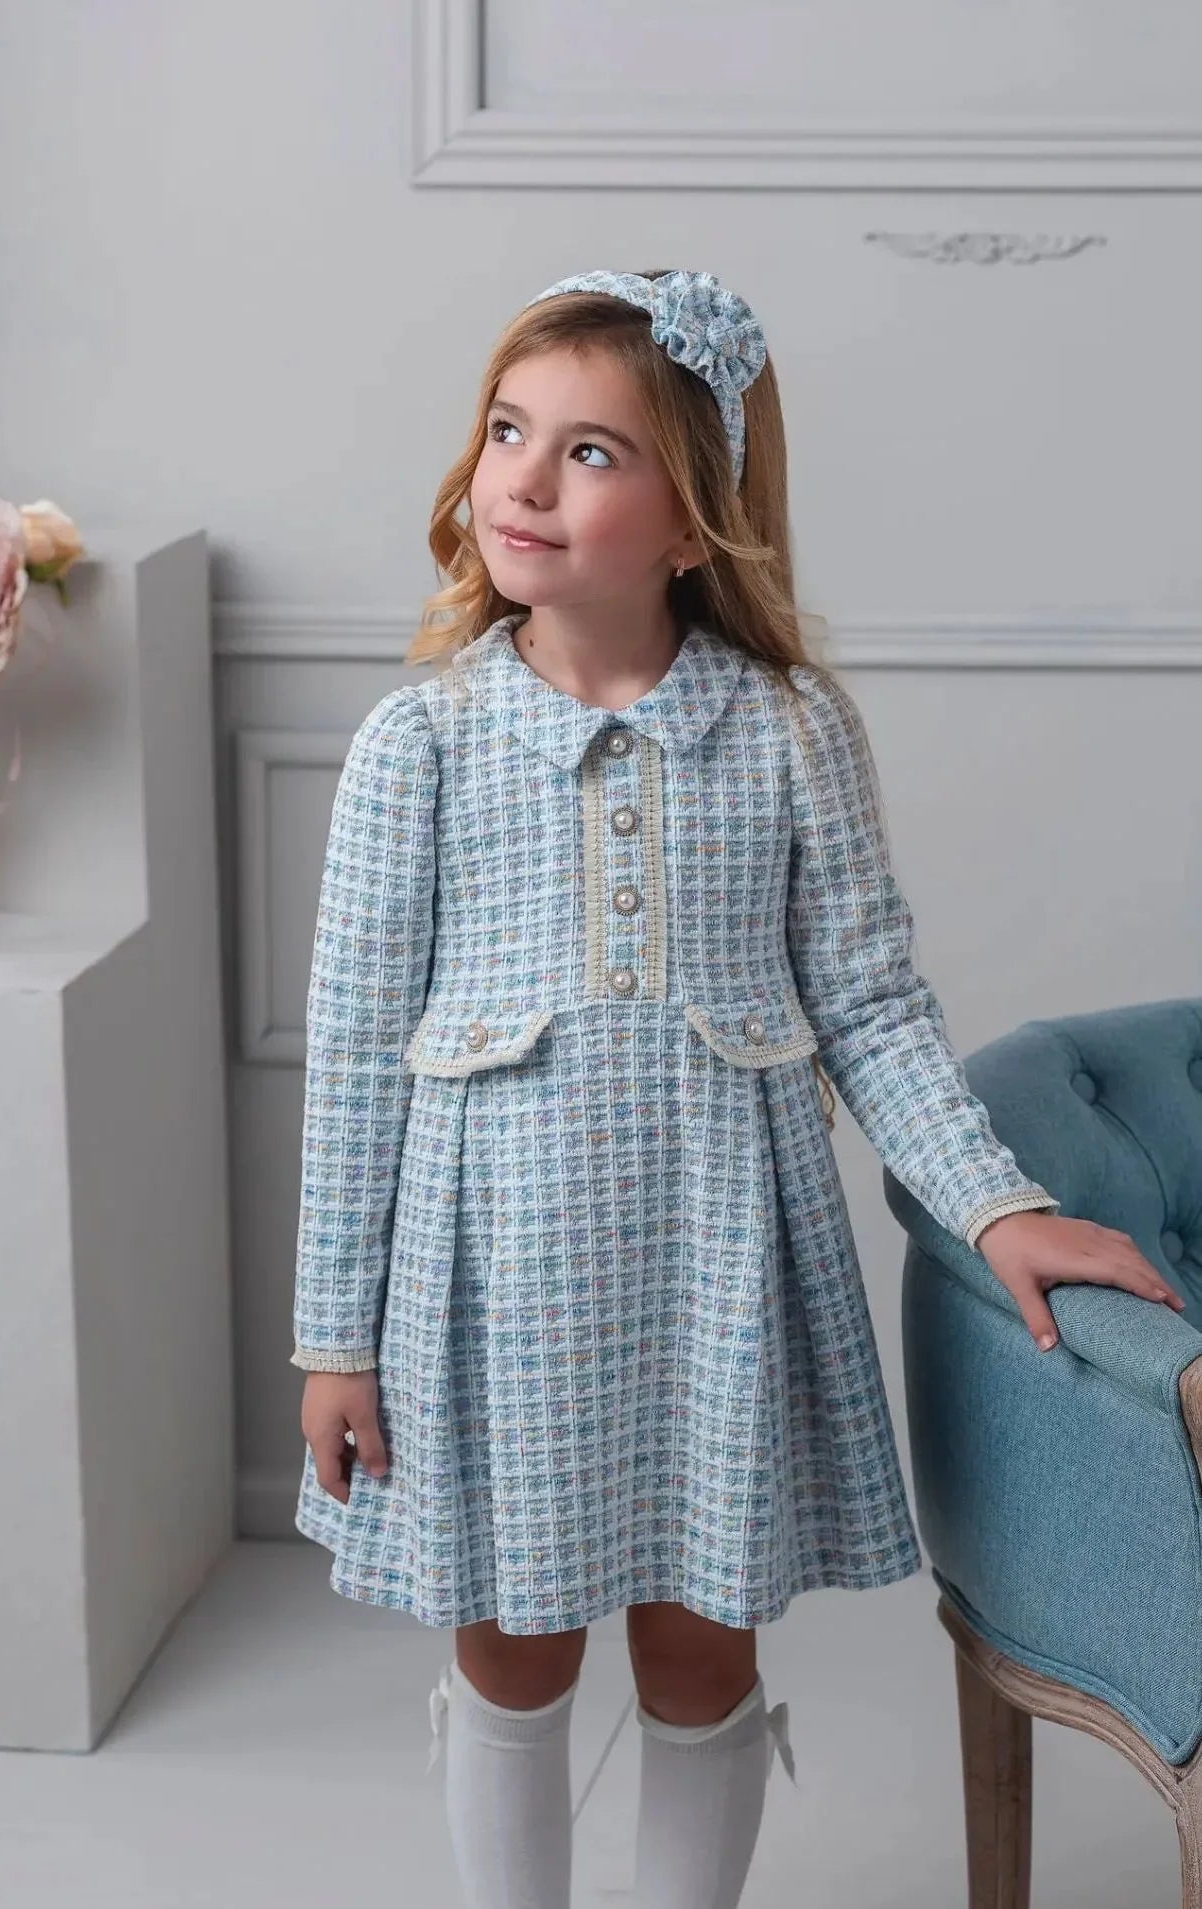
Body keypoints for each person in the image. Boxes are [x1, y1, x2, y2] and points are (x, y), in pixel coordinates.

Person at [289, 268, 1185, 1909]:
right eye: (507, 431)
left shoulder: (788, 732)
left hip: (715, 1279)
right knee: (513, 1650)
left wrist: (999, 1206)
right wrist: (335, 1336)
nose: (524, 480)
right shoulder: (420, 746)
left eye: (590, 452)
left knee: (703, 1650)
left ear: (696, 520)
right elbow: (352, 1059)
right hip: (497, 1289)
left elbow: (874, 1009)